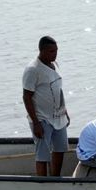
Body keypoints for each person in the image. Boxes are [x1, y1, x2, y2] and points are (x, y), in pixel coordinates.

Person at [22, 35, 70, 177]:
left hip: (58, 116)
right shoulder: (33, 69)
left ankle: (55, 178)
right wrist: (36, 123)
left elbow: (58, 90)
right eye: (51, 51)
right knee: (43, 155)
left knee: (60, 149)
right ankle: (42, 182)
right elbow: (26, 97)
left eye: (56, 51)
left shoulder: (53, 65)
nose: (55, 54)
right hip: (42, 119)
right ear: (41, 51)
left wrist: (65, 111)